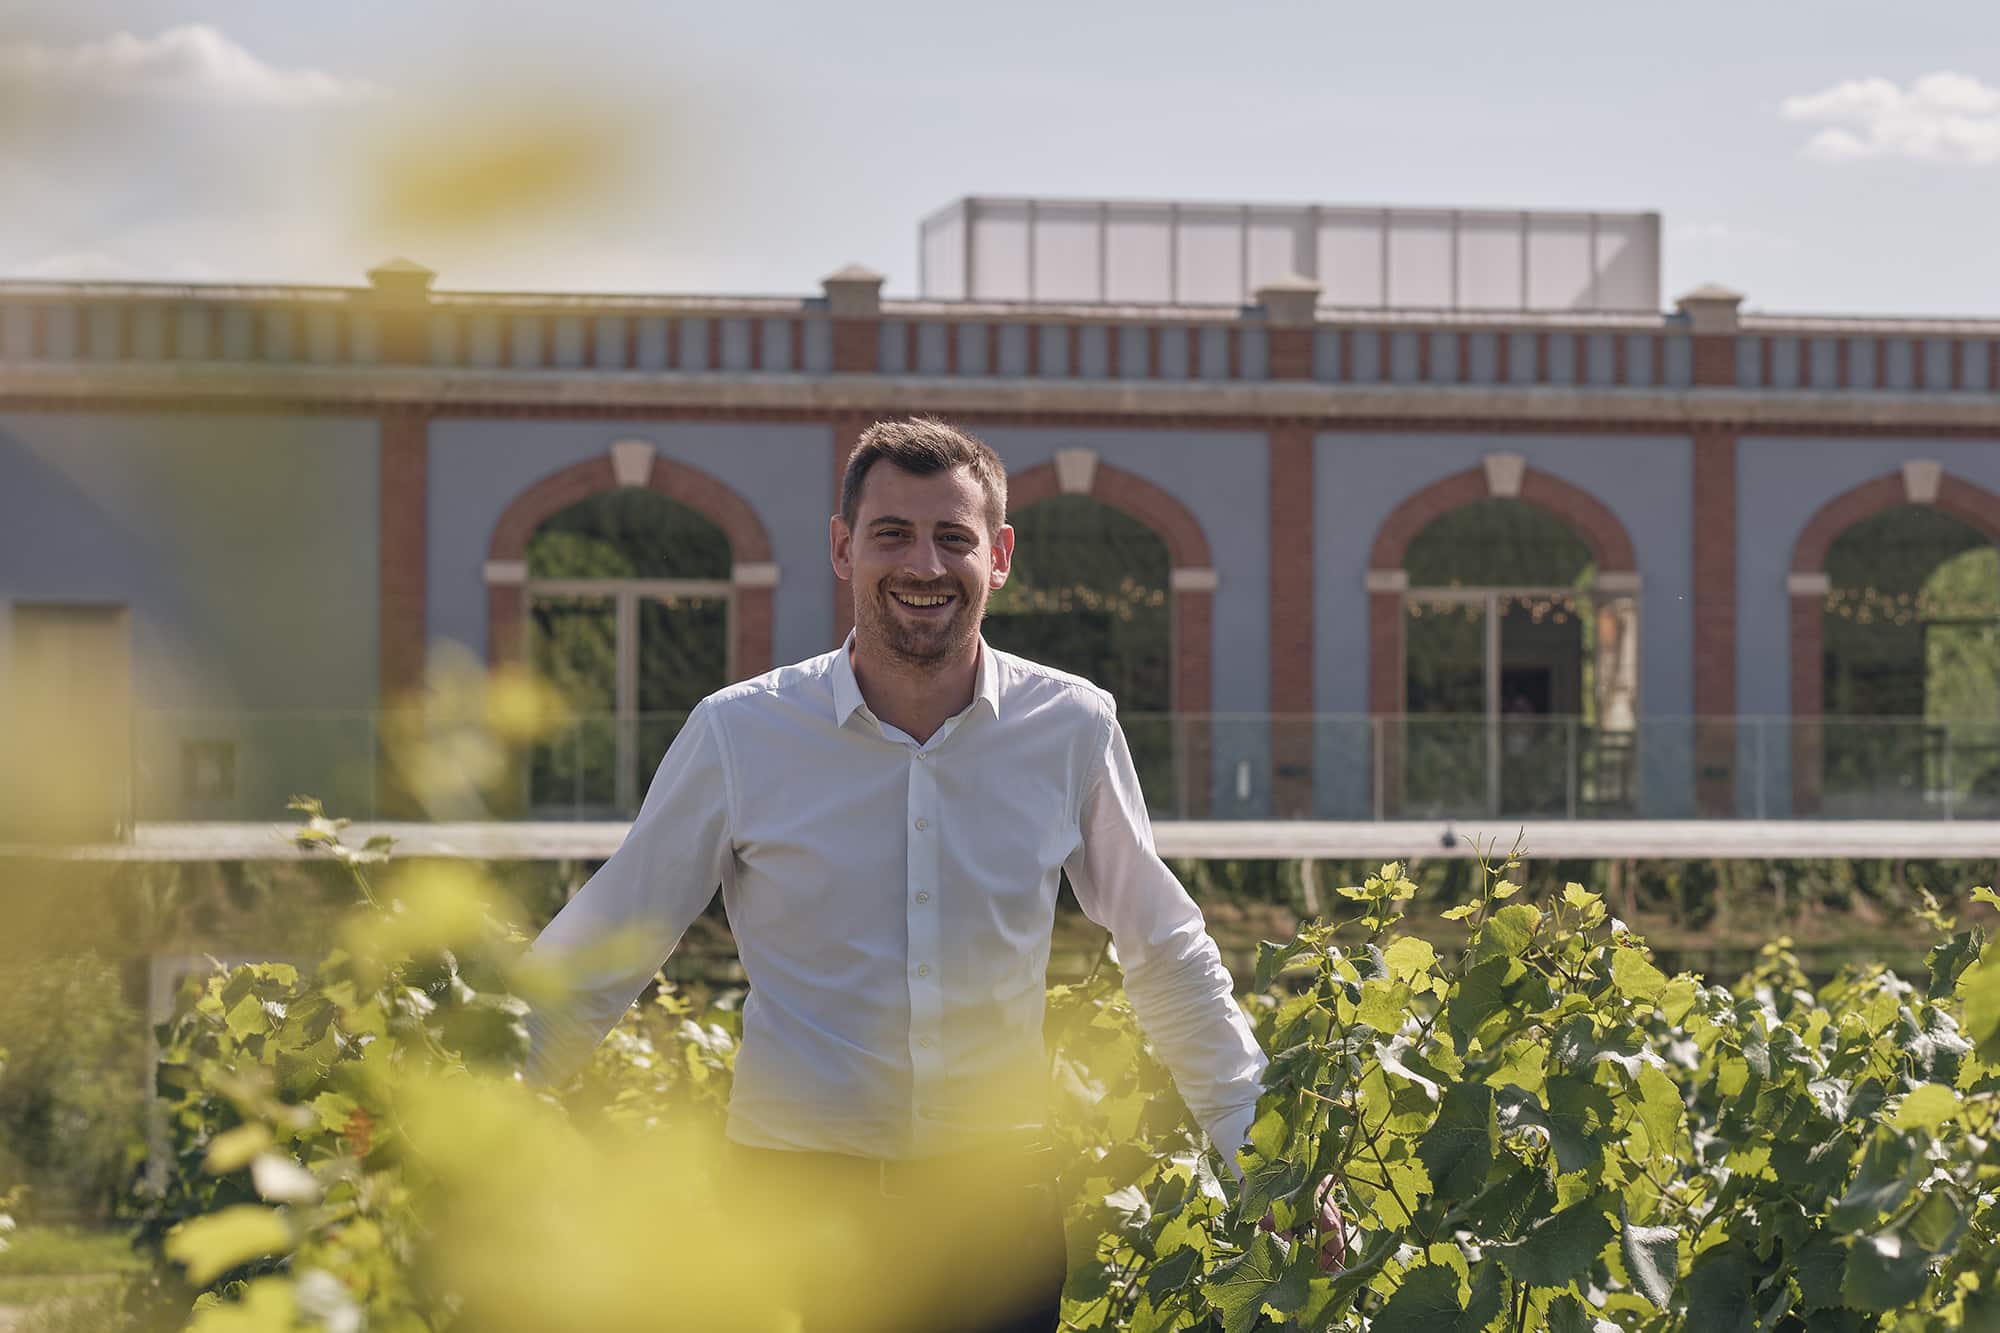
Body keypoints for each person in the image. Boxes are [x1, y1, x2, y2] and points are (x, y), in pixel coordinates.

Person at [523, 417, 1267, 1333]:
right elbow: (606, 945)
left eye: (953, 536)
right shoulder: (740, 734)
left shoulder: (1072, 727)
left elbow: (1164, 949)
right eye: (893, 534)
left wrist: (1262, 1156)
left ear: (999, 556)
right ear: (843, 548)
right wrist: (463, 1122)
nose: (924, 564)